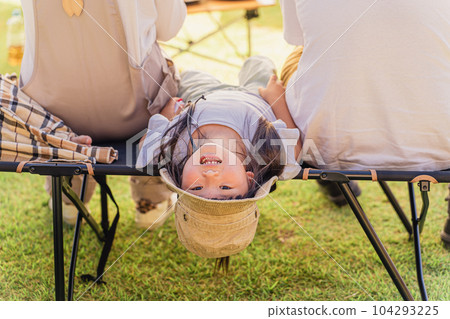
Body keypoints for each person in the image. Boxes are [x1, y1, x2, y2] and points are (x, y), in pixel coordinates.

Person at [19, 0, 187, 227]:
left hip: (55, 115)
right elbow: (169, 28)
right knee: (171, 86)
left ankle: (70, 195)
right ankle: (151, 197)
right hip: (137, 112)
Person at [279, 0, 450, 205]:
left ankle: (337, 184)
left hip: (327, 147)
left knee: (300, 54)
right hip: (443, 144)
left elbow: (299, 38)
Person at [136, 56, 301, 262]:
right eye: (225, 188)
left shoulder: (174, 150)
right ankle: (254, 62)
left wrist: (170, 113)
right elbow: (295, 142)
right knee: (260, 63)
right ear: (249, 178)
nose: (210, 176)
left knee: (189, 73)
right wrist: (277, 98)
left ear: (179, 183)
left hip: (201, 95)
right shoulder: (262, 155)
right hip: (256, 95)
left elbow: (146, 143)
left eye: (196, 188)